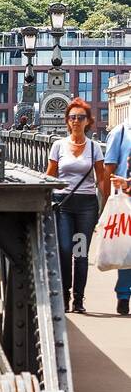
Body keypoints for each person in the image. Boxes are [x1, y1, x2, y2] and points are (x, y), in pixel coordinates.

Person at [46, 98, 108, 314]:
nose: (76, 121)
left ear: (88, 122)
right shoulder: (58, 146)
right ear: (67, 121)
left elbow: (101, 180)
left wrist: (105, 208)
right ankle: (63, 296)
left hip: (86, 208)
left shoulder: (94, 148)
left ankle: (78, 300)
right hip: (64, 205)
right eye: (72, 117)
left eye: (80, 117)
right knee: (64, 250)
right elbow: (50, 176)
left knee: (80, 254)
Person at [103, 116, 131, 316]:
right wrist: (104, 206)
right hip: (125, 200)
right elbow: (109, 169)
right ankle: (123, 296)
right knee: (126, 248)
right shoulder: (120, 132)